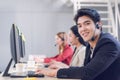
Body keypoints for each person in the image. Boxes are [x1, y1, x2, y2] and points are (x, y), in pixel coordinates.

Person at [35, 8, 120, 80]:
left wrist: (54, 72)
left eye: (87, 23)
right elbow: (85, 69)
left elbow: (88, 72)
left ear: (99, 25)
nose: (83, 29)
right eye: (79, 26)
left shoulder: (108, 43)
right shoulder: (89, 45)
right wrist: (65, 68)